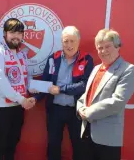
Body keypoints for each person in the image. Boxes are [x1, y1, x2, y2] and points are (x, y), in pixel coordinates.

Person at [34, 26, 94, 160]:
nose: (69, 45)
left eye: (72, 41)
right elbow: (45, 83)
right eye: (66, 41)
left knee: (80, 147)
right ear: (61, 42)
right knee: (53, 146)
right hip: (55, 110)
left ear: (79, 41)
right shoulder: (53, 58)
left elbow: (84, 86)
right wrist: (35, 98)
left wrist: (60, 89)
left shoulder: (87, 59)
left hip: (77, 112)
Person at [77, 29, 134, 160]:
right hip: (86, 132)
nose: (103, 51)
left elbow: (117, 102)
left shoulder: (128, 70)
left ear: (117, 46)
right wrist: (80, 109)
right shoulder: (96, 68)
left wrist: (88, 113)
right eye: (100, 48)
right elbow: (86, 95)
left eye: (107, 46)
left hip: (107, 138)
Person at [0, 18, 36, 160]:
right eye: (12, 32)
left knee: (12, 144)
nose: (16, 36)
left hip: (18, 107)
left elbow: (25, 78)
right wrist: (22, 99)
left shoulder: (21, 54)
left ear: (23, 36)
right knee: (0, 145)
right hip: (1, 108)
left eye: (19, 33)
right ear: (5, 34)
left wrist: (35, 89)